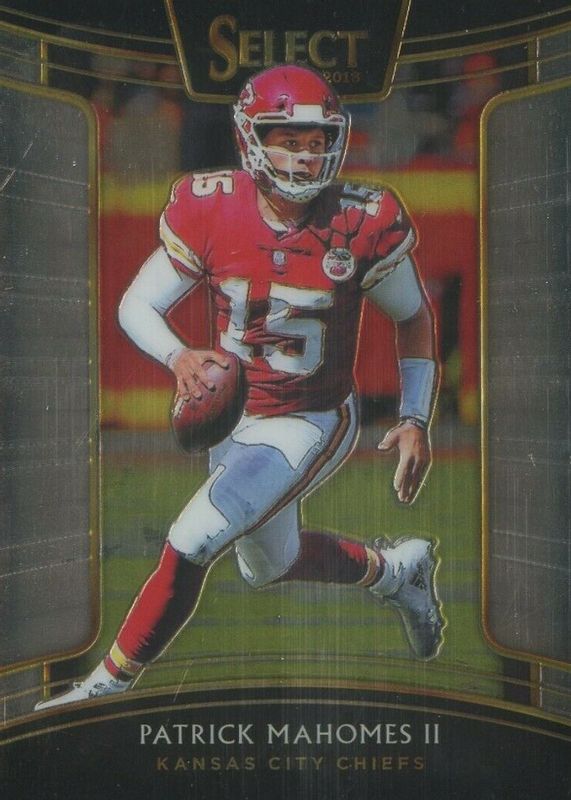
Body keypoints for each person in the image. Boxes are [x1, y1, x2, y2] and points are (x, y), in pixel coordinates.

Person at [36, 65, 444, 710]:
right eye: (289, 140)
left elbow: (412, 316)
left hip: (311, 416)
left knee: (193, 538)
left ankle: (103, 689)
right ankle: (396, 573)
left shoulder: (363, 218)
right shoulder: (212, 205)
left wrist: (415, 416)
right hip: (238, 418)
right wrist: (178, 356)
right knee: (268, 566)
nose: (306, 155)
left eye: (317, 140)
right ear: (252, 139)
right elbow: (137, 305)